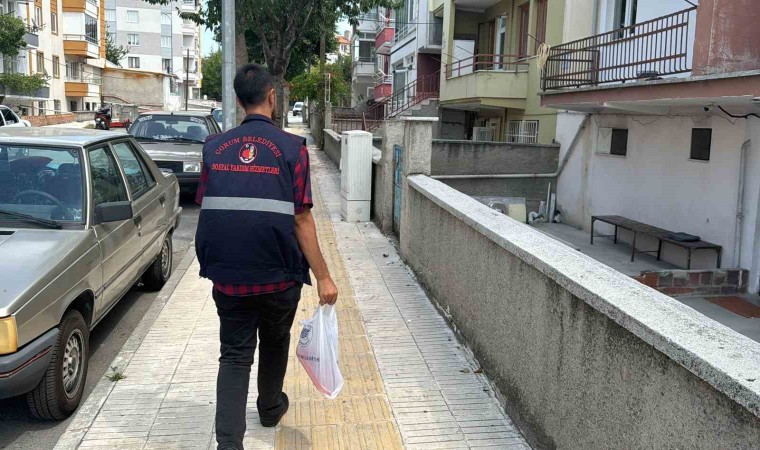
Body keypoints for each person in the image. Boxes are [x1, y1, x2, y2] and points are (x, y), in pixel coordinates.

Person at [194, 63, 338, 450]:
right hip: (279, 276)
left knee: (235, 355)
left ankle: (228, 445)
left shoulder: (213, 147)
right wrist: (324, 276)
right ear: (272, 97)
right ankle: (270, 408)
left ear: (238, 100)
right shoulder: (292, 149)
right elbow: (301, 218)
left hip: (229, 277)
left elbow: (208, 204)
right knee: (275, 341)